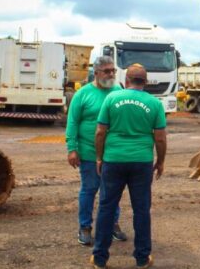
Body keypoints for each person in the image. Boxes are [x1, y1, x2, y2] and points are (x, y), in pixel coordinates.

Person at [92, 64, 167, 269]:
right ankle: (142, 259)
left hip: (113, 160)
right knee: (141, 210)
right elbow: (159, 138)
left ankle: (99, 259)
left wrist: (99, 157)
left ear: (126, 81)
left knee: (106, 208)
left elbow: (100, 132)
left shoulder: (111, 99)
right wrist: (160, 161)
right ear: (145, 82)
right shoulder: (155, 103)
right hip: (141, 162)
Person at [65, 56, 128, 246]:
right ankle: (85, 228)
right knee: (90, 190)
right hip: (89, 153)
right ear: (96, 72)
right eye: (107, 71)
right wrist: (72, 149)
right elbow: (72, 122)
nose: (111, 74)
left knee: (112, 192)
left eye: (113, 71)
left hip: (113, 154)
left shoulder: (118, 91)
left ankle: (112, 224)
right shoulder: (83, 94)